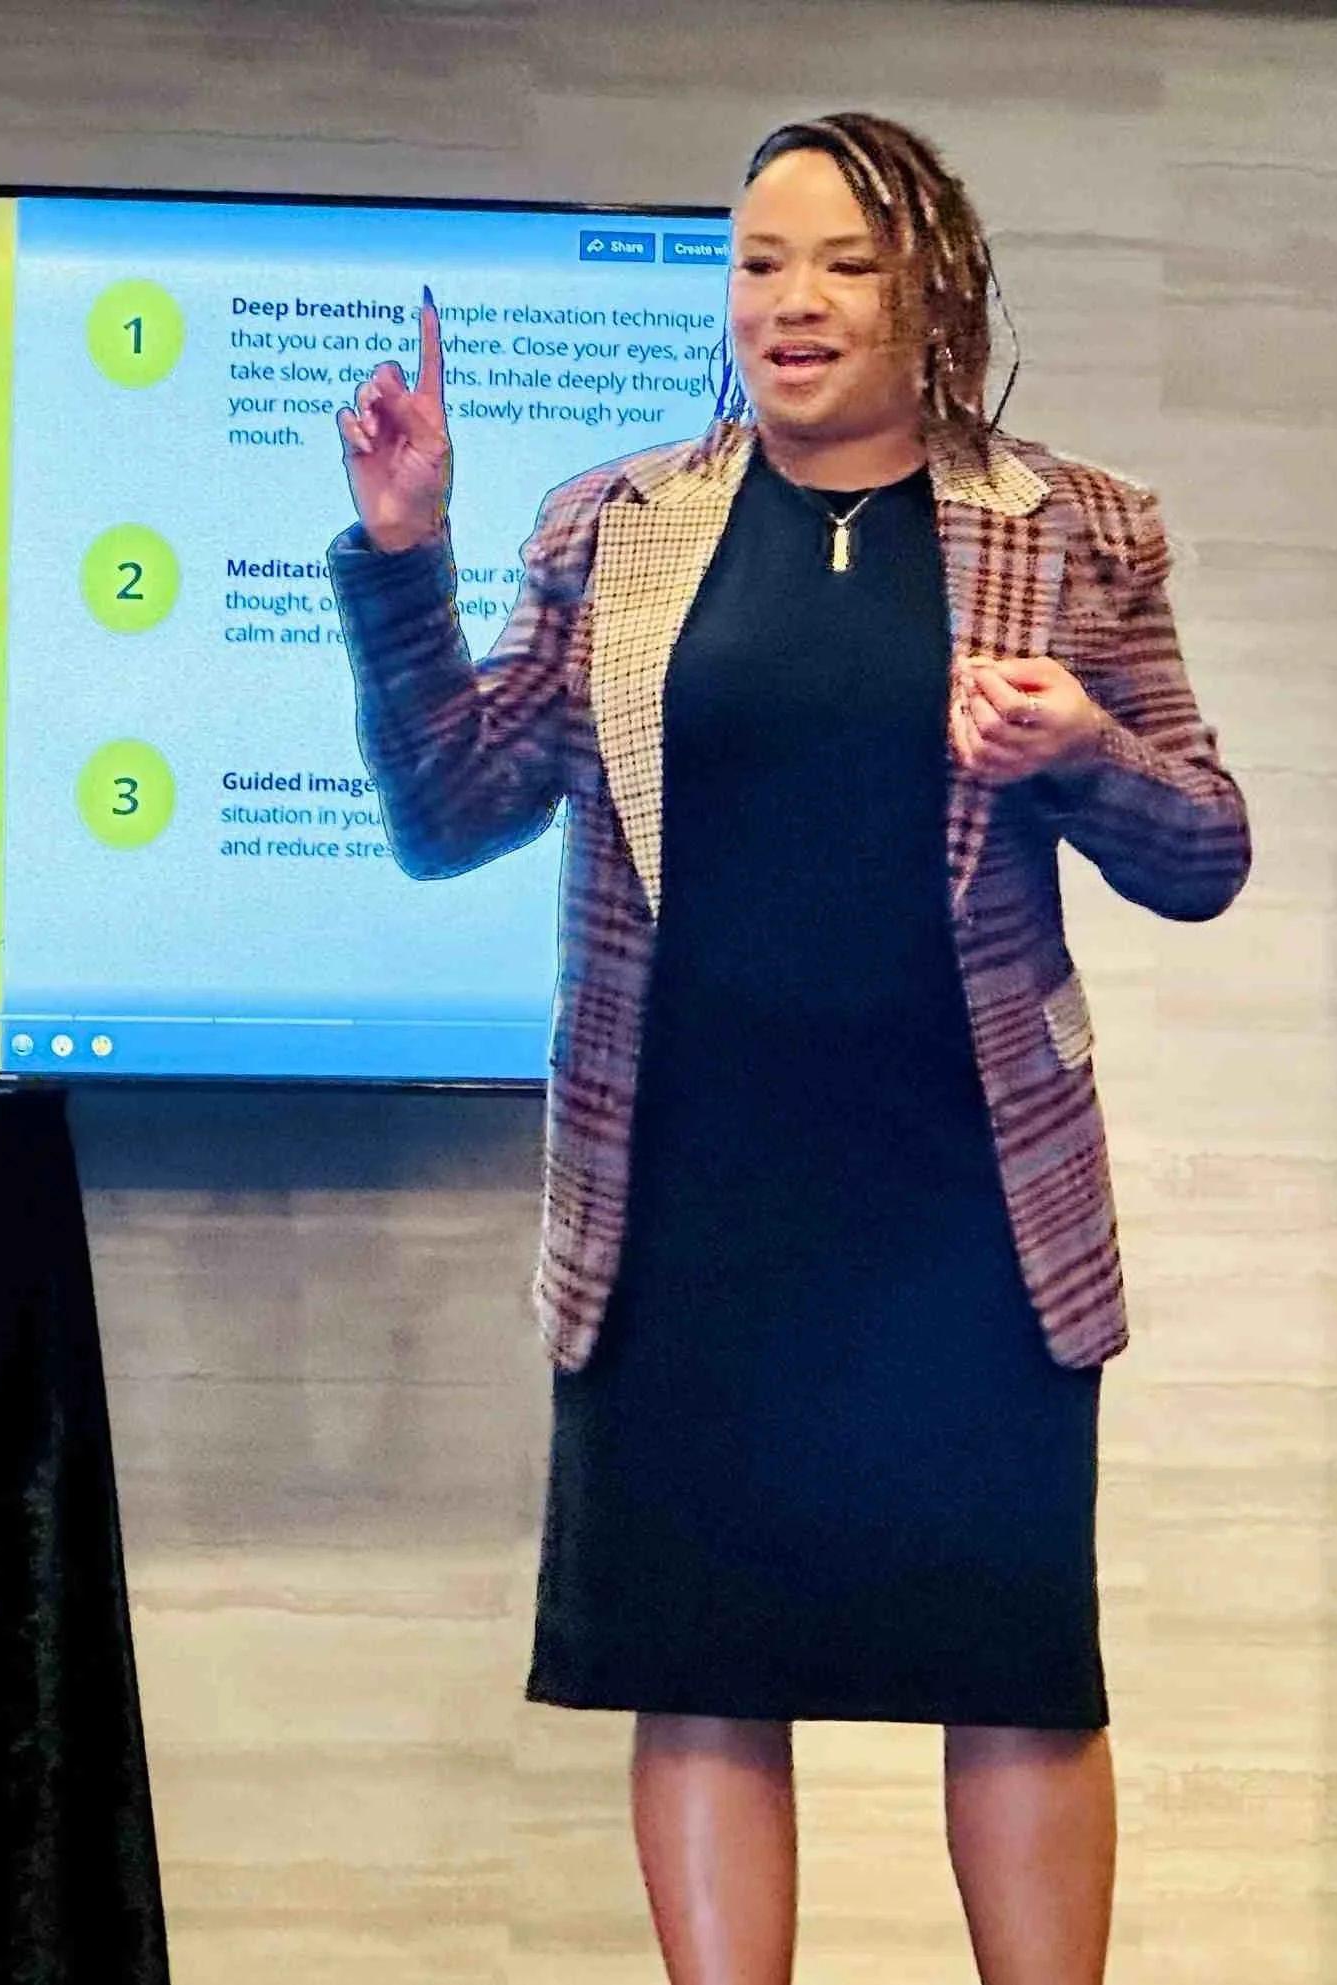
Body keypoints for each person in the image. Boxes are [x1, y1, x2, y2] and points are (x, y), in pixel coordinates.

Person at [325, 109, 1250, 1985]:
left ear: (937, 289)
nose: (792, 302)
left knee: (1012, 1663)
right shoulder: (617, 526)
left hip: (965, 1208)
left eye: (843, 263)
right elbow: (450, 806)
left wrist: (1084, 752)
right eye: (759, 263)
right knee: (702, 1657)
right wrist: (404, 552)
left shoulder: (1073, 526)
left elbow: (1205, 851)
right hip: (687, 1194)